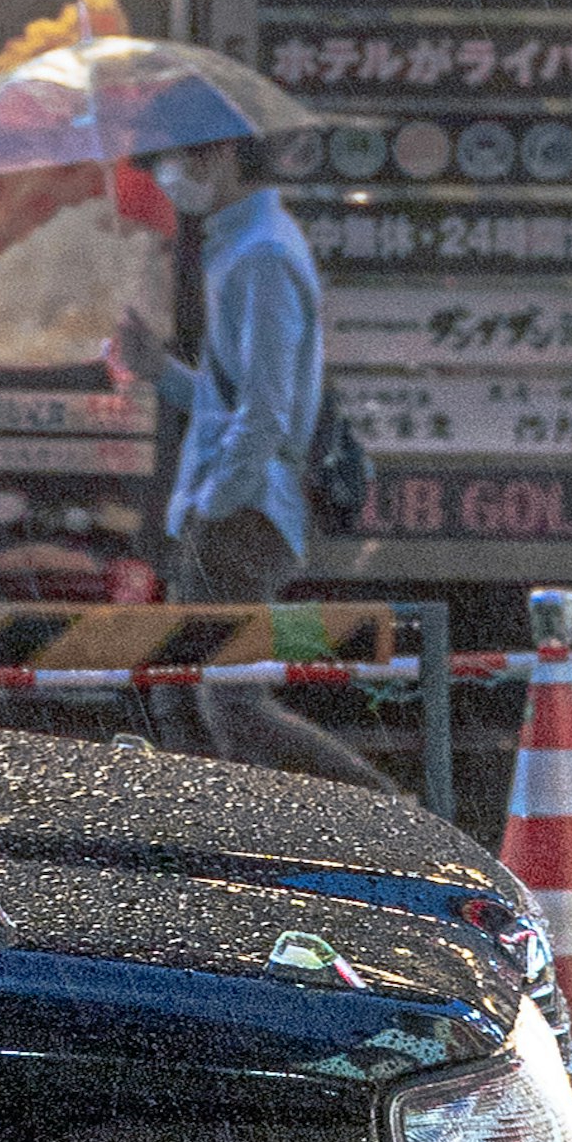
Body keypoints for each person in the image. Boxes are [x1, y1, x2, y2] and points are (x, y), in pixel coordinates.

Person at [121, 124, 382, 784]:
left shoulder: (261, 254)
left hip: (245, 515)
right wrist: (156, 368)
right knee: (180, 695)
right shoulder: (240, 244)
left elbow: (269, 411)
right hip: (228, 508)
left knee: (226, 702)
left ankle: (382, 810)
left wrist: (216, 502)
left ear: (219, 152)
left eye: (175, 154)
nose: (167, 175)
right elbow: (227, 399)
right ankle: (213, 845)